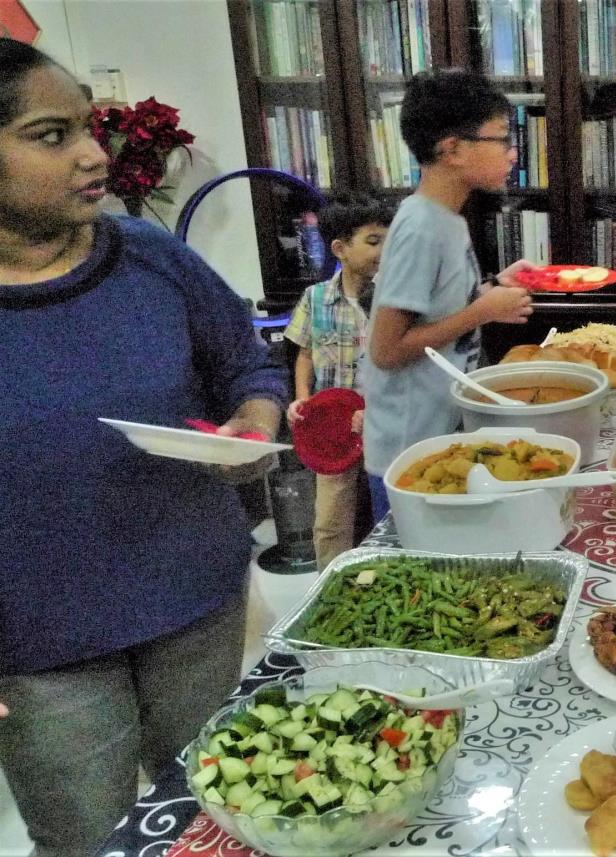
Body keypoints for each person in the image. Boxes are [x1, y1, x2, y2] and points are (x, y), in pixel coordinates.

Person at [0, 38, 286, 857]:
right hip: (37, 650)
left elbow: (249, 363)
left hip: (195, 603)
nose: (96, 152)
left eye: (88, 125)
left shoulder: (153, 259)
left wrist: (255, 422)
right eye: (51, 134)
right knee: (90, 841)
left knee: (215, 814)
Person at [362, 68, 534, 518]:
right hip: (408, 454)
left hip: (439, 435)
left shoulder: (445, 219)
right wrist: (480, 312)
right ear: (452, 149)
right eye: (500, 138)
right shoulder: (421, 227)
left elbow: (436, 306)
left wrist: (491, 289)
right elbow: (385, 350)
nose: (512, 153)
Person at [284, 191, 391, 569]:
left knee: (388, 513)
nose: (383, 250)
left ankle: (388, 575)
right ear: (340, 248)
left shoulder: (394, 301)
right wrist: (302, 400)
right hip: (332, 429)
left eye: (389, 241)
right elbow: (305, 354)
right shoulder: (315, 299)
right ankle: (330, 584)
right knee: (331, 519)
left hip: (384, 425)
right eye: (373, 241)